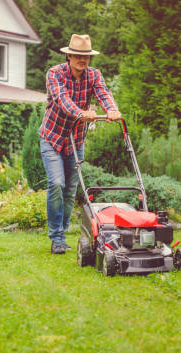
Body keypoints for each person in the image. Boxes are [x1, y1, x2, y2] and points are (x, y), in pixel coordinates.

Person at [39, 34, 122, 255]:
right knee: (57, 184)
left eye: (85, 56)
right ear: (69, 55)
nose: (81, 59)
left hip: (75, 140)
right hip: (52, 138)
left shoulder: (94, 75)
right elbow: (61, 99)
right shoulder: (55, 74)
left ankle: (62, 235)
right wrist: (81, 113)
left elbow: (103, 92)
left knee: (70, 191)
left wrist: (111, 109)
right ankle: (56, 237)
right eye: (77, 55)